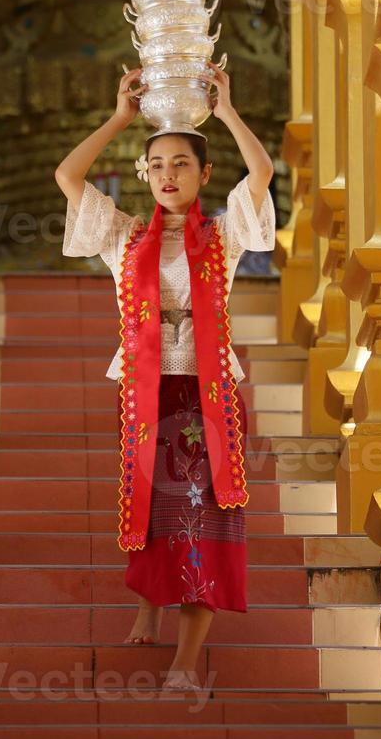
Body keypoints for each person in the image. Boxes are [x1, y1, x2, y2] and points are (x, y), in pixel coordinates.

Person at [53, 62, 276, 694]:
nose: (166, 176)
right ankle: (148, 602)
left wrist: (227, 110)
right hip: (147, 391)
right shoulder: (122, 238)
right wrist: (120, 117)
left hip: (205, 395)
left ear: (204, 174)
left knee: (201, 515)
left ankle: (185, 660)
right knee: (149, 509)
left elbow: (260, 174)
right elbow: (68, 176)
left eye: (180, 164)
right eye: (155, 166)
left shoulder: (224, 236)